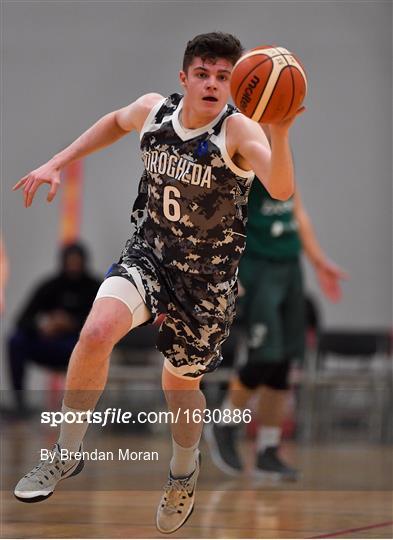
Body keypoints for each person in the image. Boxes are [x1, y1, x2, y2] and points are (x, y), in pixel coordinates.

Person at [12, 32, 303, 533]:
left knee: (179, 387)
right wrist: (57, 162)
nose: (212, 84)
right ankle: (65, 450)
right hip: (148, 256)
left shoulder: (240, 132)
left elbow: (281, 187)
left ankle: (184, 472)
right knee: (96, 332)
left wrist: (279, 129)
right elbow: (113, 123)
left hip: (205, 286)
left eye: (223, 77)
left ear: (234, 84)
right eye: (203, 74)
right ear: (184, 78)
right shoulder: (154, 112)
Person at [206, 157, 347, 480]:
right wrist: (229, 271)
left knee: (284, 364)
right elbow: (220, 218)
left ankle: (269, 448)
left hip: (289, 268)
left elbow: (296, 211)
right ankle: (225, 423)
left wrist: (318, 261)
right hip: (258, 268)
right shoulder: (241, 149)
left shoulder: (282, 149)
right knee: (264, 356)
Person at [7, 243, 101, 414]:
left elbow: (102, 324)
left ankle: (82, 405)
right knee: (16, 340)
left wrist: (71, 323)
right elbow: (22, 319)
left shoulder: (95, 287)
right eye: (70, 262)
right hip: (49, 342)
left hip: (77, 345)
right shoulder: (50, 286)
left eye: (77, 262)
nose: (73, 266)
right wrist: (43, 326)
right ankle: (19, 403)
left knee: (91, 347)